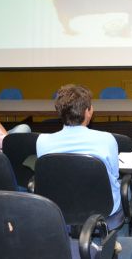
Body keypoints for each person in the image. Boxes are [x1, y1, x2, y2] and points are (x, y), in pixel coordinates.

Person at [36, 84, 121, 216]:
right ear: (88, 112)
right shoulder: (107, 139)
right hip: (102, 208)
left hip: (58, 207)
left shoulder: (42, 141)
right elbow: (114, 175)